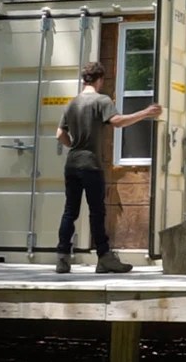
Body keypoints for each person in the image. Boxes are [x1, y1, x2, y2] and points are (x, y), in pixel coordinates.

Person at [55, 61, 161, 274]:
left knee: (70, 211)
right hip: (91, 164)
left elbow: (60, 135)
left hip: (72, 164)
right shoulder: (101, 101)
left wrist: (75, 146)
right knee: (97, 211)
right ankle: (104, 258)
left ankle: (62, 259)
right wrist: (146, 113)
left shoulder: (72, 103)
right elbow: (118, 121)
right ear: (100, 79)